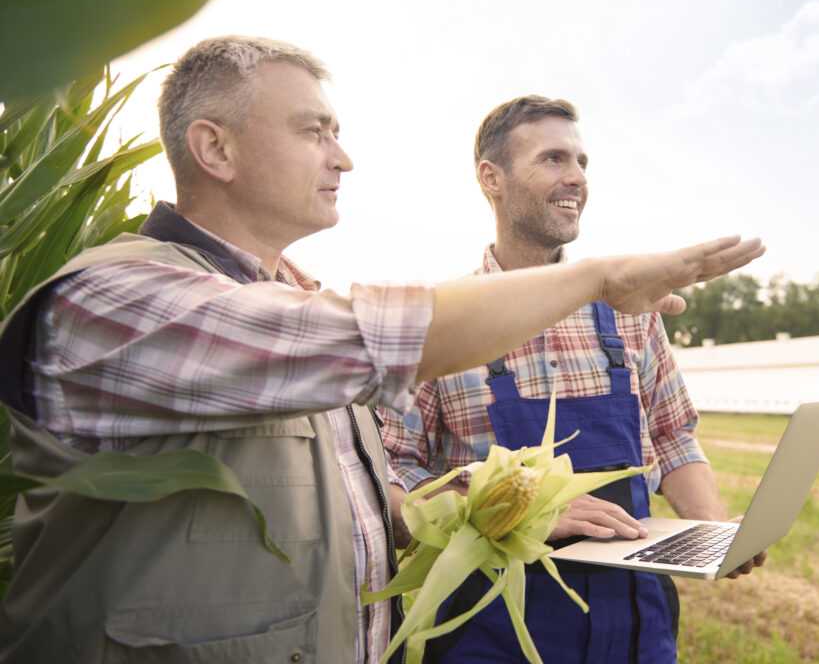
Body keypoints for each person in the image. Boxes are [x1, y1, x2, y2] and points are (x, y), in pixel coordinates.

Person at [0, 42, 763, 664]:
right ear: (215, 148)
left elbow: (373, 506)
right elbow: (378, 343)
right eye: (314, 131)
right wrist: (601, 277)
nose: (344, 158)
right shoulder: (118, 299)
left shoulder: (292, 299)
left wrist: (510, 510)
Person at [380, 95, 767, 664]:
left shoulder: (634, 312)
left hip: (635, 621)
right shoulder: (444, 321)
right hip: (493, 628)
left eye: (582, 162)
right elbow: (389, 472)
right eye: (554, 159)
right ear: (492, 178)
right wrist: (522, 516)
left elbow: (673, 437)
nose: (577, 178)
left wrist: (711, 533)